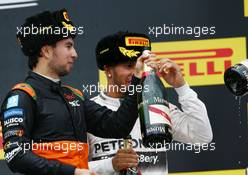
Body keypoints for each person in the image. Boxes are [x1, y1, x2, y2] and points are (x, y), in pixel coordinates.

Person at [0, 9, 157, 175]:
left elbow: (117, 127)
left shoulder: (74, 96)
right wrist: (72, 172)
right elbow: (15, 154)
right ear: (46, 51)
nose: (75, 54)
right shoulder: (22, 96)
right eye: (68, 46)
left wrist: (138, 78)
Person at [88, 31, 213, 175]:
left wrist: (181, 87)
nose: (138, 71)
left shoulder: (158, 105)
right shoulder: (91, 111)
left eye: (141, 64)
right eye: (129, 65)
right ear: (108, 69)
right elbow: (74, 169)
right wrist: (109, 165)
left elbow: (202, 136)